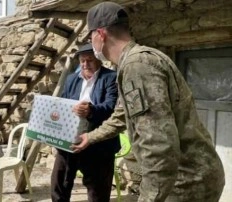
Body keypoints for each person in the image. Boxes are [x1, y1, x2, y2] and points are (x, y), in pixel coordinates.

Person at [72, 2, 225, 202]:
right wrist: (90, 138)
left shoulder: (138, 66)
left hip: (185, 182)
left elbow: (158, 145)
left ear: (100, 34)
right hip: (184, 177)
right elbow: (121, 115)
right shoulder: (134, 62)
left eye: (90, 36)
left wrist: (149, 198)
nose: (91, 42)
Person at [51, 43, 120, 202]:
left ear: (99, 60)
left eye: (89, 60)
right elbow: (62, 103)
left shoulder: (110, 78)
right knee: (60, 182)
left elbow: (112, 106)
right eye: (82, 60)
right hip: (71, 138)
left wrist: (91, 110)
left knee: (97, 190)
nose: (85, 64)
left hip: (98, 141)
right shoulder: (71, 79)